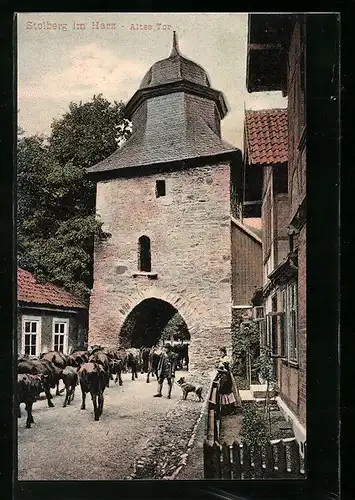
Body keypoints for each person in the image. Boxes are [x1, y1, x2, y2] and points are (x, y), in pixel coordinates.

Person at [216, 346, 242, 415]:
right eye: (220, 352)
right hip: (223, 377)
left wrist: (219, 369)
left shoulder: (226, 359)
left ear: (224, 352)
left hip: (226, 378)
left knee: (226, 392)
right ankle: (226, 410)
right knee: (223, 393)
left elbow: (226, 370)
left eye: (221, 352)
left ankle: (230, 409)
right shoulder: (222, 359)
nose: (220, 353)